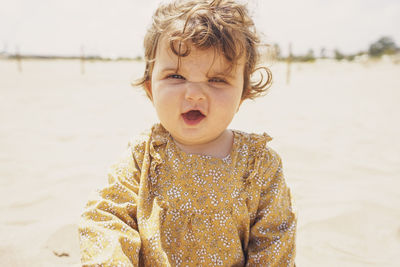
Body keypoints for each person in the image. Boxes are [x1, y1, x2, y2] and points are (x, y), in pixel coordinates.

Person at [78, 0, 297, 266]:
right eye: (176, 77)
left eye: (217, 80)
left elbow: (274, 240)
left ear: (242, 95)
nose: (193, 93)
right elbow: (107, 217)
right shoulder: (143, 156)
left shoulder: (259, 165)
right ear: (151, 89)